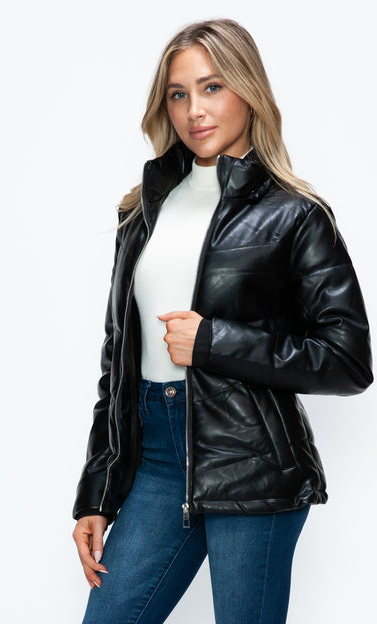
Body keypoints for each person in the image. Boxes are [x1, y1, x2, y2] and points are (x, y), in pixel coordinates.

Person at [72, 19, 373, 624]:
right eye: (178, 94)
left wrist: (213, 341)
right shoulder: (141, 214)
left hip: (251, 464)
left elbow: (349, 359)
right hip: (158, 461)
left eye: (212, 87)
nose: (194, 110)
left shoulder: (295, 214)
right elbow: (117, 362)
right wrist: (97, 492)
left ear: (247, 90)